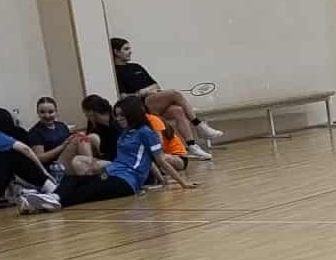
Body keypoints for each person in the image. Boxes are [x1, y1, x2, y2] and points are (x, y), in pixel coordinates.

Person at [18, 95, 193, 213]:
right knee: (73, 179)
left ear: (132, 114)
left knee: (87, 192)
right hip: (112, 173)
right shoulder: (125, 133)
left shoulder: (146, 133)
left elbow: (159, 160)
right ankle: (51, 197)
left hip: (125, 181)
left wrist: (181, 183)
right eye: (117, 115)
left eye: (121, 115)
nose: (118, 118)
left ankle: (50, 202)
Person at [110, 37, 224, 160]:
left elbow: (156, 85)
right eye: (126, 49)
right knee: (175, 93)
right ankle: (199, 126)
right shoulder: (115, 72)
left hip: (153, 101)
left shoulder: (136, 66)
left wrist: (151, 90)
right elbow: (122, 96)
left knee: (178, 110)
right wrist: (142, 92)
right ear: (116, 52)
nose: (130, 52)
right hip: (139, 105)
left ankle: (192, 146)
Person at [24, 97, 72, 167]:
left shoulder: (61, 126)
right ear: (38, 113)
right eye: (42, 112)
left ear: (56, 112)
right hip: (53, 166)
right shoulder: (35, 132)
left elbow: (70, 144)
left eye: (51, 112)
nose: (47, 116)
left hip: (69, 159)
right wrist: (62, 147)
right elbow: (40, 158)